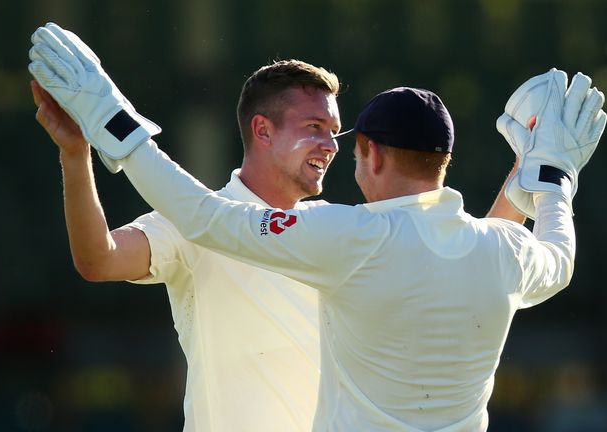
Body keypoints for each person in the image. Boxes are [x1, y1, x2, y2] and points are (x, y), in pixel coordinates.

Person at [28, 23, 525, 431]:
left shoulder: (341, 234)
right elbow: (100, 259)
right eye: (314, 129)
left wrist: (531, 172)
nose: (331, 145)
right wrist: (76, 155)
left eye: (334, 132)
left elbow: (478, 253)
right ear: (262, 130)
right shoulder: (193, 221)